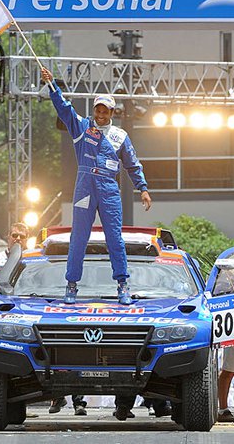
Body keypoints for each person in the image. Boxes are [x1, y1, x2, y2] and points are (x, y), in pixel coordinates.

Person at [40, 66, 152, 305]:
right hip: (85, 186)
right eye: (97, 110)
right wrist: (52, 86)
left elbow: (132, 164)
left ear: (112, 112)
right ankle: (71, 285)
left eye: (105, 111)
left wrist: (142, 188)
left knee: (115, 238)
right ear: (94, 110)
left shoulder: (120, 135)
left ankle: (122, 285)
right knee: (78, 237)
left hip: (109, 188)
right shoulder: (81, 126)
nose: (100, 114)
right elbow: (63, 107)